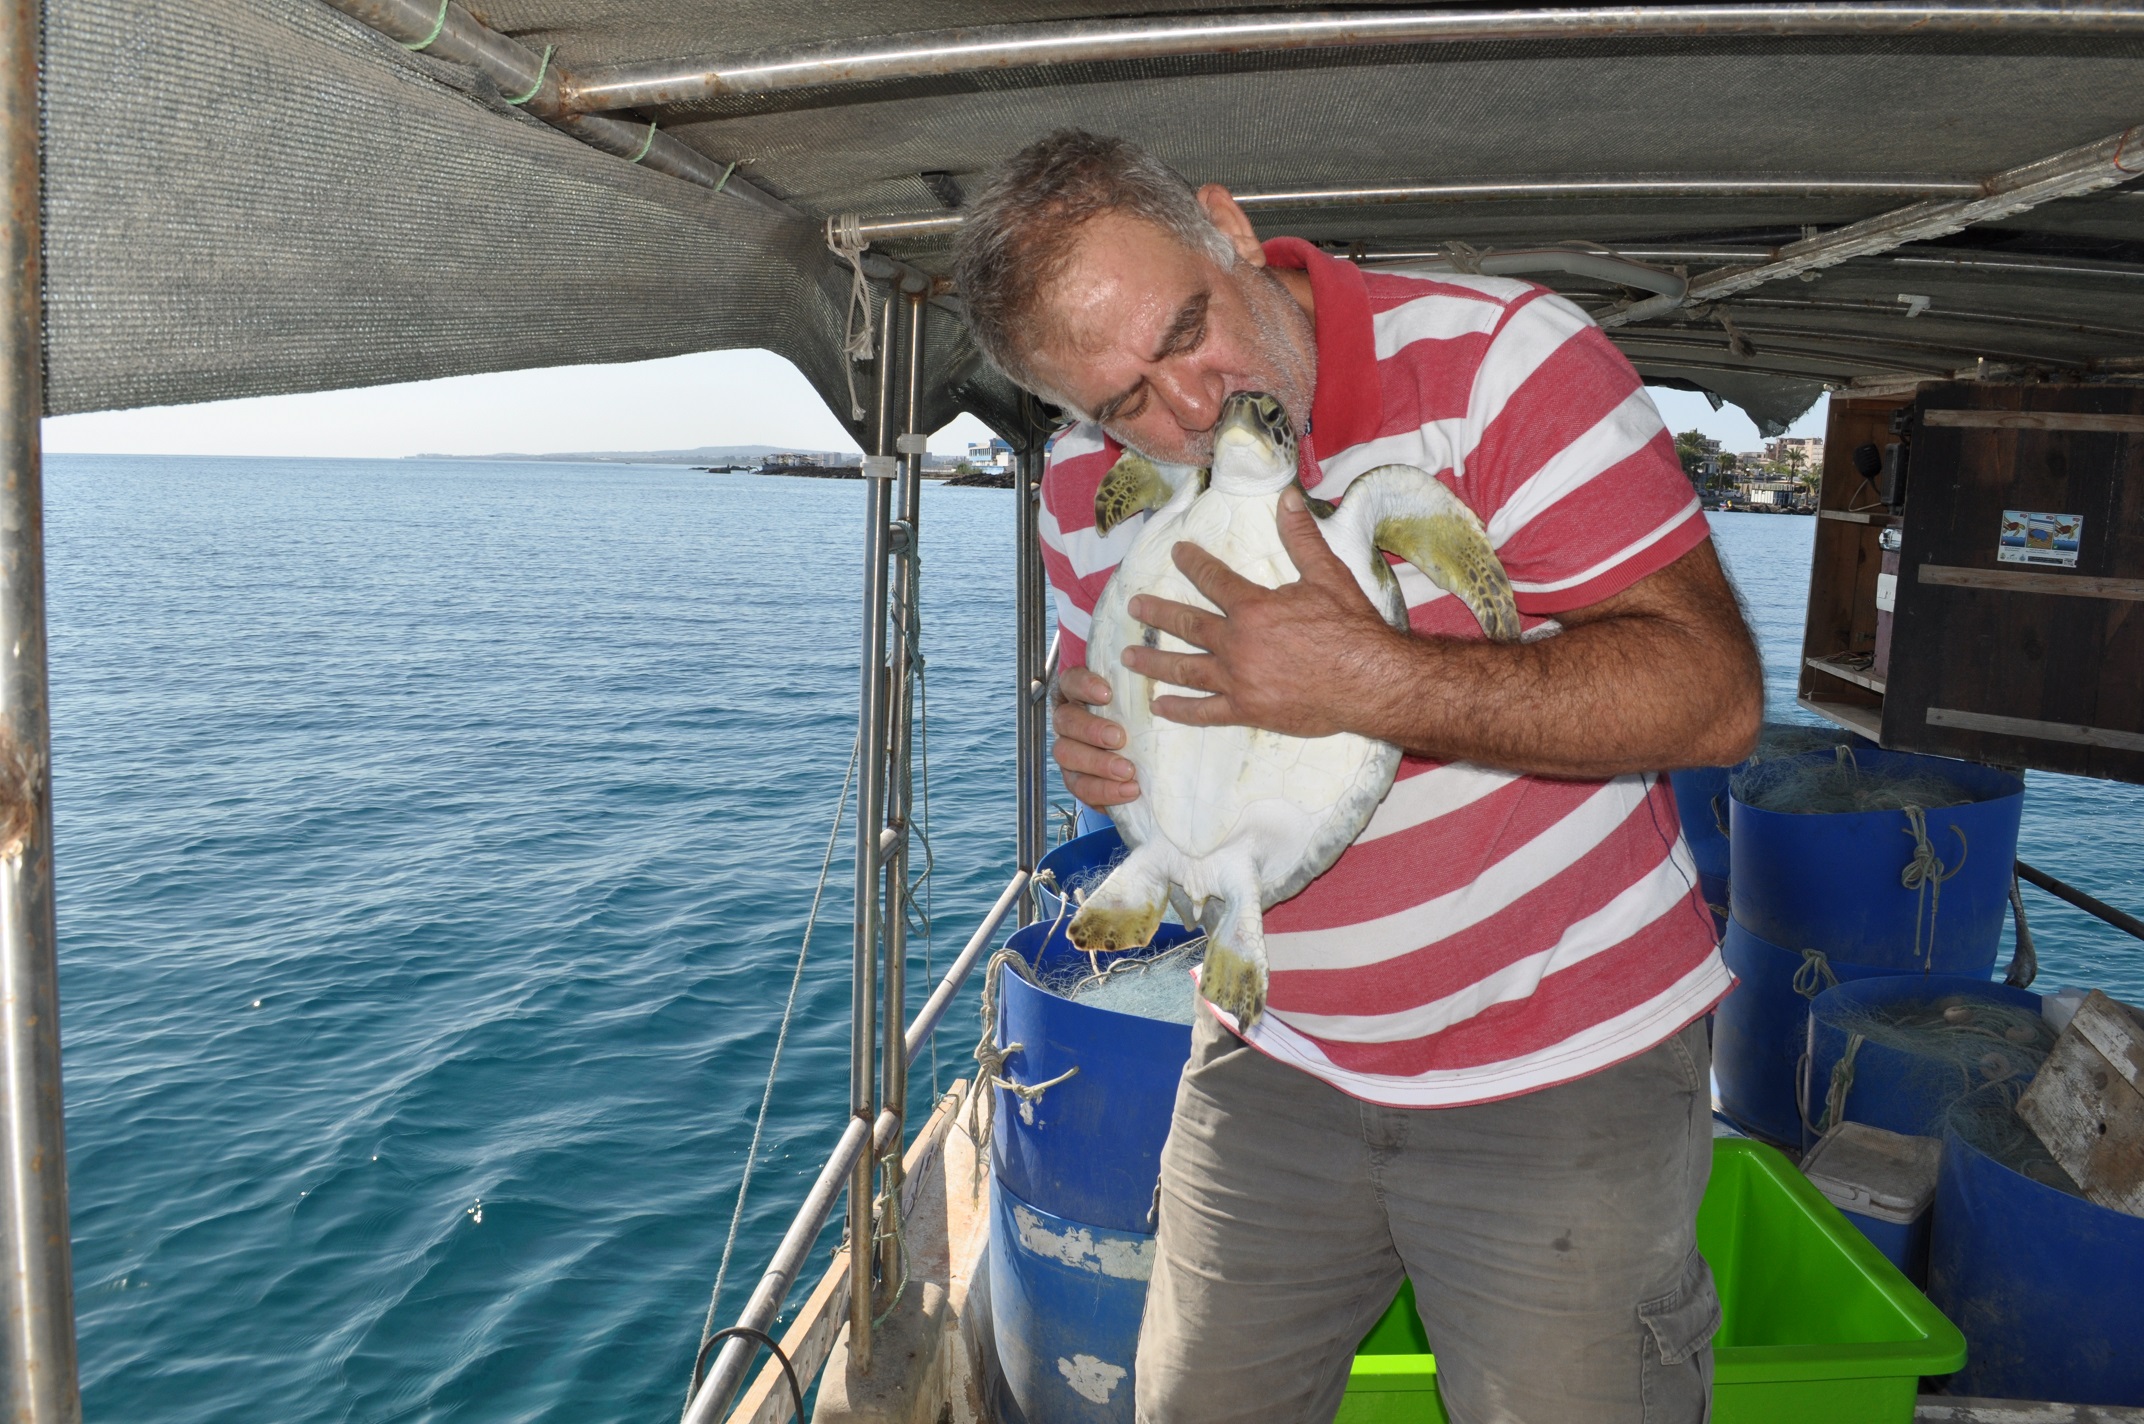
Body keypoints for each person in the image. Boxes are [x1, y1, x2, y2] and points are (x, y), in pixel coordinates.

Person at [951, 131, 1763, 1424]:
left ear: (1226, 228)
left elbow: (1713, 698)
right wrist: (1092, 747)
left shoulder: (1501, 363)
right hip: (1274, 1048)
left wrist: (1373, 679)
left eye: (1188, 332)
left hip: (1561, 1063)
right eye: (1123, 403)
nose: (1191, 411)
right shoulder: (1083, 489)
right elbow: (1127, 723)